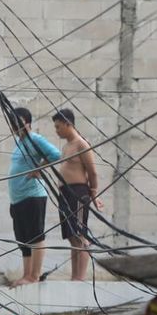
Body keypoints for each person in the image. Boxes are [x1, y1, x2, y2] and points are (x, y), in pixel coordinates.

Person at [8, 107, 61, 287]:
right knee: (23, 239)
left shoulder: (35, 139)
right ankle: (27, 274)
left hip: (32, 195)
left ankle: (34, 275)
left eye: (19, 122)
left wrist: (39, 169)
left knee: (36, 235)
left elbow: (55, 154)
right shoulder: (19, 142)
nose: (15, 125)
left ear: (28, 123)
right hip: (18, 199)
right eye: (13, 122)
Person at [52, 109, 103, 281]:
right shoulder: (66, 146)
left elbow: (93, 172)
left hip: (78, 193)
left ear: (68, 124)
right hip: (65, 193)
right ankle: (74, 276)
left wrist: (94, 194)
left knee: (80, 235)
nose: (56, 130)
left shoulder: (81, 144)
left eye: (59, 127)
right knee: (72, 237)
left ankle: (80, 277)